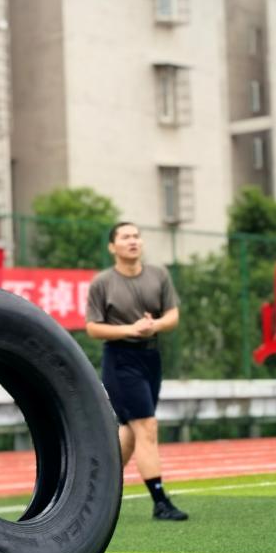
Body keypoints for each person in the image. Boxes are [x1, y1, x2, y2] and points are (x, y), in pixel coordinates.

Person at [85, 221, 187, 521]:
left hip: (151, 358)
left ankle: (96, 490)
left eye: (137, 236)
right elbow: (92, 327)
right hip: (120, 360)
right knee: (147, 426)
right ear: (112, 246)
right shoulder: (102, 283)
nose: (133, 241)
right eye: (125, 236)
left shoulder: (159, 275)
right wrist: (131, 328)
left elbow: (173, 315)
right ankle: (159, 501)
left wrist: (153, 325)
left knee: (131, 431)